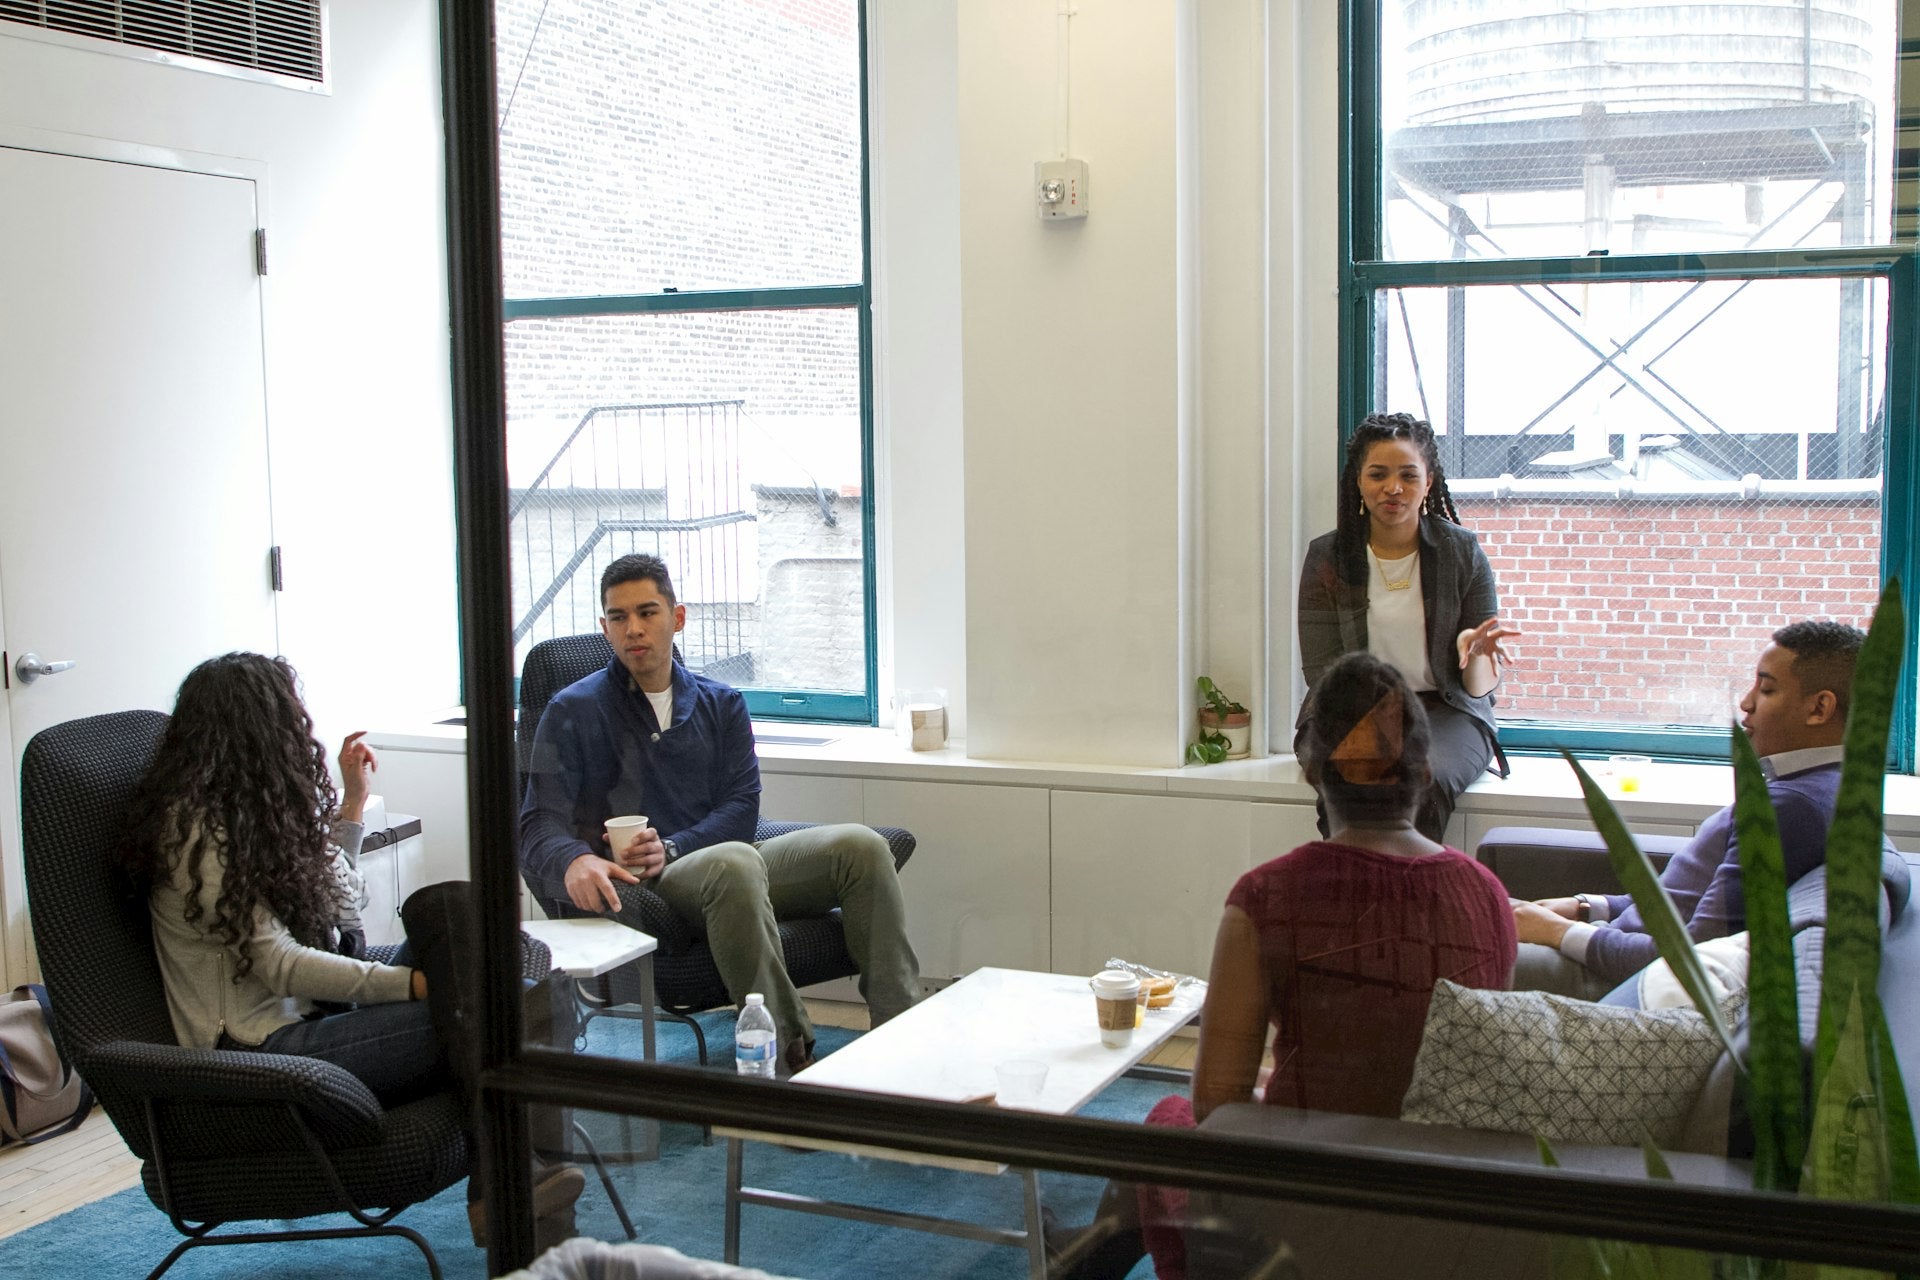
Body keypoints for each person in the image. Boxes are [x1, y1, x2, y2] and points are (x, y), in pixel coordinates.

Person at [1051, 653, 1518, 1280]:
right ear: (1426, 771)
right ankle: (1079, 1256)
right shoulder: (1487, 896)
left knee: (1167, 1124)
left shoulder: (1268, 896)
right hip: (1446, 1212)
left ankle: (1078, 1261)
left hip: (1305, 1207)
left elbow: (1217, 1109)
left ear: (1311, 772)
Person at [120, 652, 582, 1245]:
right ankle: (520, 1194)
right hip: (259, 1049)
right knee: (515, 1007)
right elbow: (281, 967)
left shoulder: (256, 812)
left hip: (318, 1017)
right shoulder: (200, 835)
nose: (301, 732)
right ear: (259, 732)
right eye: (290, 719)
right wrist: (412, 985)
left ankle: (506, 1181)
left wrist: (351, 806)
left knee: (451, 908)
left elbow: (346, 903)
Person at [519, 552, 921, 1073]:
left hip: (714, 858)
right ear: (605, 628)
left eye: (647, 612)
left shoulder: (721, 703)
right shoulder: (573, 710)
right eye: (618, 617)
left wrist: (673, 847)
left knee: (861, 847)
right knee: (735, 861)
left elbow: (741, 808)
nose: (633, 629)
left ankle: (900, 1035)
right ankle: (787, 1052)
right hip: (648, 885)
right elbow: (537, 821)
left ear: (677, 618)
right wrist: (575, 859)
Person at [1512, 619, 1867, 998]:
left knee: (1463, 947)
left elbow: (1688, 961)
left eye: (1766, 689)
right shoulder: (1818, 787)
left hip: (1610, 977)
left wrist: (1555, 931)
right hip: (1609, 947)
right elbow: (1683, 898)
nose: (1746, 703)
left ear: (1819, 708)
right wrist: (1586, 908)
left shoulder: (1792, 809)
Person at [1297, 411, 1520, 843]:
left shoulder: (1462, 553)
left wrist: (1475, 656)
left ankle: (1412, 884)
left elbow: (1477, 690)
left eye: (1408, 475)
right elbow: (1321, 674)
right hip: (1350, 705)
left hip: (1446, 711)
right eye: (1378, 474)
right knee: (1352, 775)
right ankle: (1353, 881)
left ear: (1428, 482)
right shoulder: (1328, 556)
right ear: (1358, 481)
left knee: (1421, 780)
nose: (1393, 488)